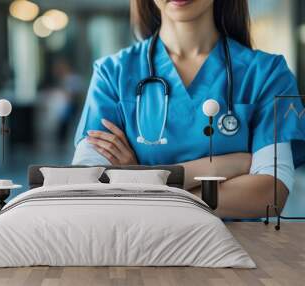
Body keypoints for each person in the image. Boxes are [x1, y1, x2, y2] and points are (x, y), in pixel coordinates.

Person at [72, 0, 305, 218]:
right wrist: (214, 167)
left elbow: (271, 193)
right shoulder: (112, 73)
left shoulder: (267, 73)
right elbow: (87, 188)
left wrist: (140, 182)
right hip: (138, 250)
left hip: (238, 251)